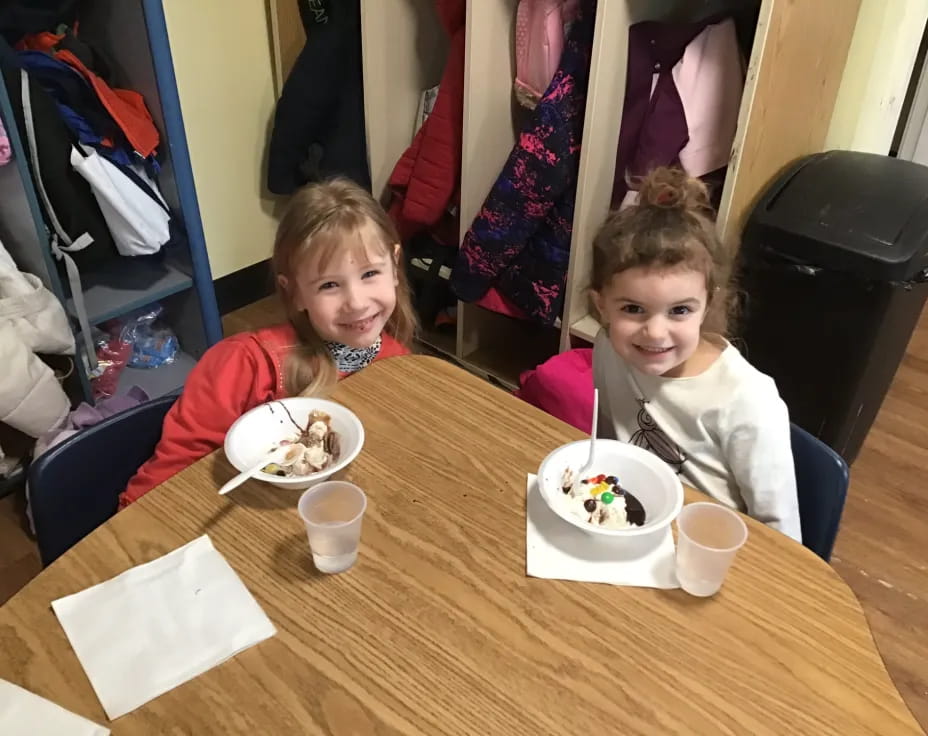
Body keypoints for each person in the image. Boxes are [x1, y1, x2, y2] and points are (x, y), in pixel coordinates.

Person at [119, 177, 417, 508]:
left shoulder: (396, 360)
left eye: (370, 274)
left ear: (394, 266)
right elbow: (159, 488)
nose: (357, 302)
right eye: (329, 285)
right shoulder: (241, 366)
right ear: (295, 292)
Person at [590, 167, 801, 541]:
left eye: (680, 310)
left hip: (706, 547)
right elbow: (613, 450)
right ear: (601, 306)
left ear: (709, 304)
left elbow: (782, 535)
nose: (655, 332)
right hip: (632, 527)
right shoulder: (609, 347)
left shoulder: (747, 398)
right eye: (633, 309)